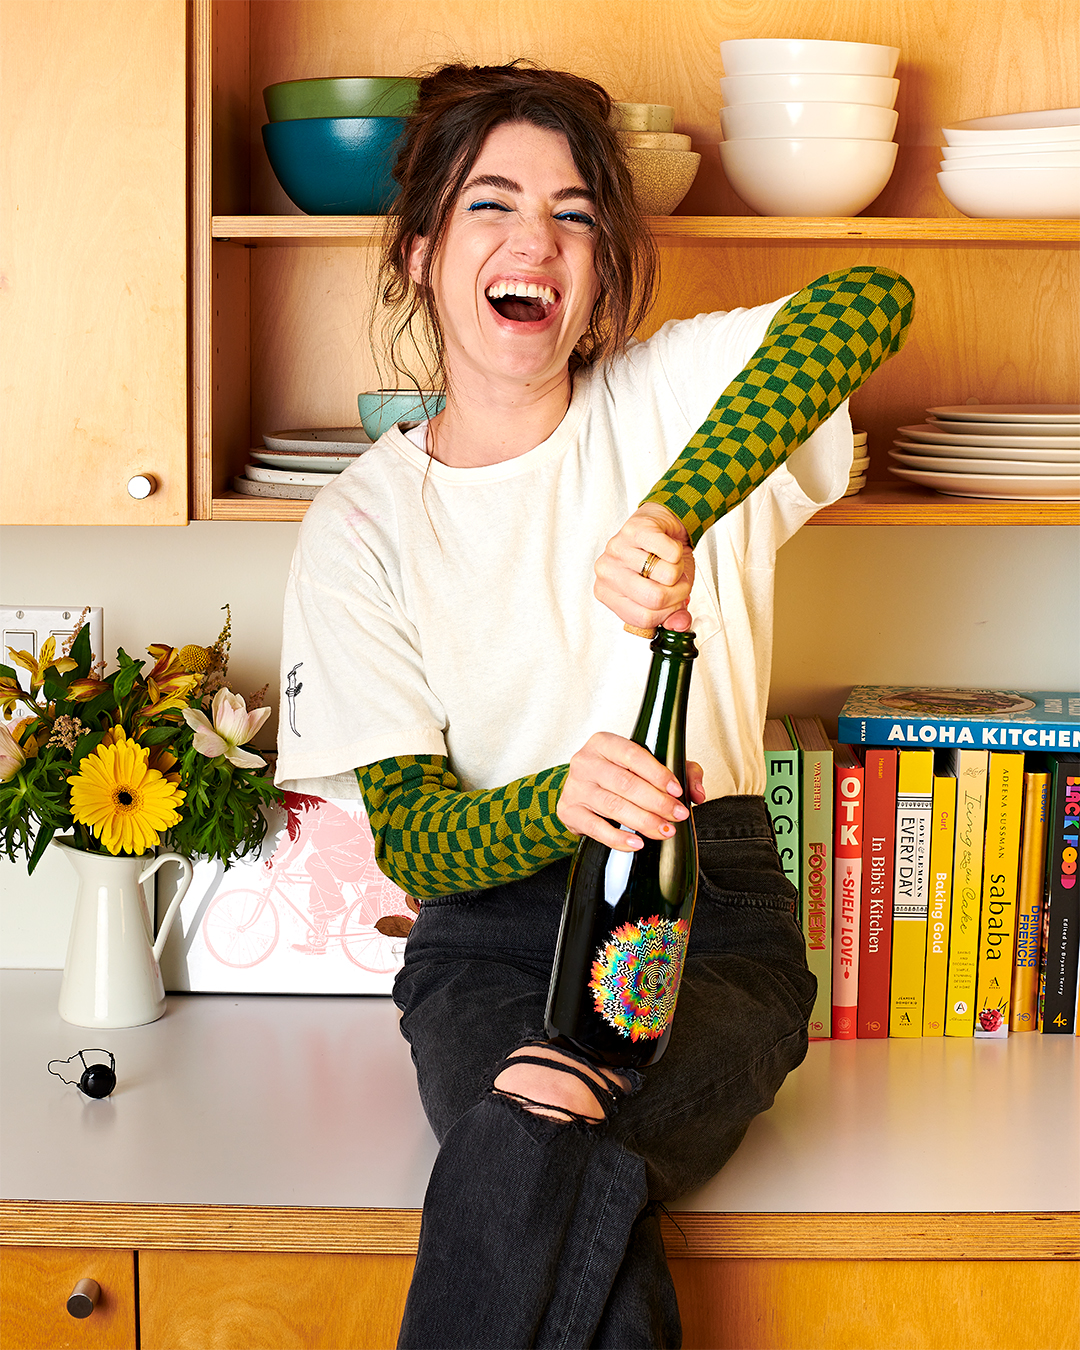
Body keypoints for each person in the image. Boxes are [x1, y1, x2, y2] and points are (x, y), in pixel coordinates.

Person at [275, 60, 914, 1349]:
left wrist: (681, 503)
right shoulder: (360, 529)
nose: (536, 243)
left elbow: (869, 301)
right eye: (490, 207)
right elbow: (414, 839)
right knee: (560, 1147)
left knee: (534, 1129)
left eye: (574, 214)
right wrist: (560, 799)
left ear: (602, 263)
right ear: (418, 255)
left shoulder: (671, 399)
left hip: (710, 919)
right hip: (484, 947)